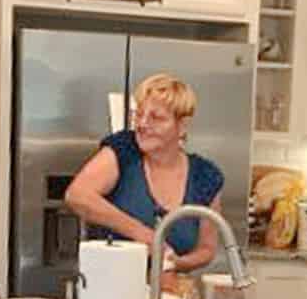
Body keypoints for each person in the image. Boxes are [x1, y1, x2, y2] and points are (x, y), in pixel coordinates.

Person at [65, 73, 224, 274]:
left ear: (182, 126)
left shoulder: (205, 176)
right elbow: (78, 195)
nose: (141, 124)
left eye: (155, 118)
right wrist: (145, 236)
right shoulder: (124, 150)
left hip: (169, 297)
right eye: (138, 114)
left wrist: (174, 264)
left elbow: (206, 249)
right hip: (108, 289)